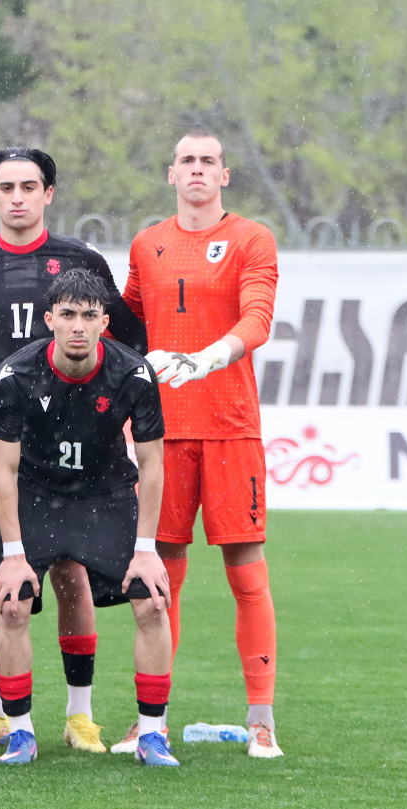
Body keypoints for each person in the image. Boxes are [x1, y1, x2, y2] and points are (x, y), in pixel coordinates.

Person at [0, 147, 147, 751]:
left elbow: (128, 342)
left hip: (73, 448)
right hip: (1, 447)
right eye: (7, 187)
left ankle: (80, 716)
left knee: (72, 576)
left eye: (29, 186)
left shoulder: (81, 261)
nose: (18, 197)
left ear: (49, 193)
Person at [121, 129, 282, 758]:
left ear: (224, 175)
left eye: (207, 161)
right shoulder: (147, 243)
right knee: (161, 577)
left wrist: (208, 357)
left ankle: (262, 718)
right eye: (186, 160)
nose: (196, 169)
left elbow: (258, 318)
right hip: (161, 433)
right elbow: (126, 326)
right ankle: (150, 718)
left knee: (246, 573)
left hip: (230, 426)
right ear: (171, 174)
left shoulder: (251, 238)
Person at [0, 268, 177, 766]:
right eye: (67, 315)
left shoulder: (134, 374)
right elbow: (4, 469)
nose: (78, 326)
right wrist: (12, 554)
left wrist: (146, 549)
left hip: (105, 496)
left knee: (152, 601)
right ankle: (21, 732)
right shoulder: (16, 374)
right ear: (49, 319)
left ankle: (152, 734)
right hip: (38, 495)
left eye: (89, 316)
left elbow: (153, 463)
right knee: (12, 605)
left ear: (104, 323)